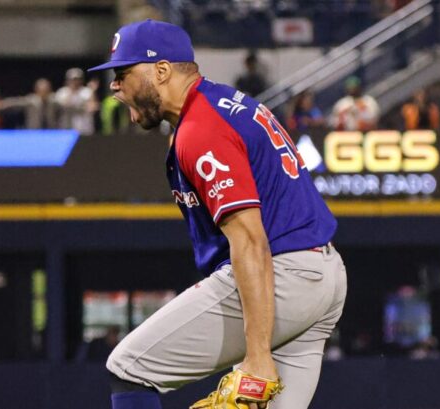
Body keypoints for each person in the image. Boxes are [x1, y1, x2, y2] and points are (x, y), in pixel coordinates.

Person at [89, 19, 347, 409]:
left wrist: (258, 355)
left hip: (282, 275)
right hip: (324, 274)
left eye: (123, 73)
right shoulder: (225, 104)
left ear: (161, 71)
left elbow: (249, 238)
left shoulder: (201, 128)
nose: (114, 85)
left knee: (128, 369)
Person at [56, 67, 99, 136]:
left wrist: (93, 91)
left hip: (85, 128)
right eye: (73, 79)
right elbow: (63, 107)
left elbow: (92, 108)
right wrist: (71, 92)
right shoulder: (62, 92)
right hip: (67, 128)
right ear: (67, 80)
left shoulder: (87, 91)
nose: (75, 82)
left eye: (78, 79)